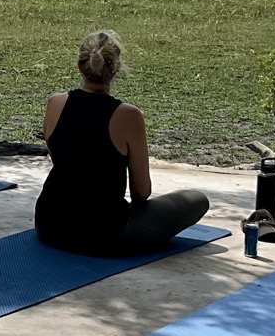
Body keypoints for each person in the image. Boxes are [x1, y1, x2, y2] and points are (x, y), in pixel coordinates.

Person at [34, 29, 209, 256]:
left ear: (80, 66)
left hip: (49, 225)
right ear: (115, 69)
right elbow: (141, 192)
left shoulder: (55, 103)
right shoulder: (128, 116)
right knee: (197, 200)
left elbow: (65, 160)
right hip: (103, 235)